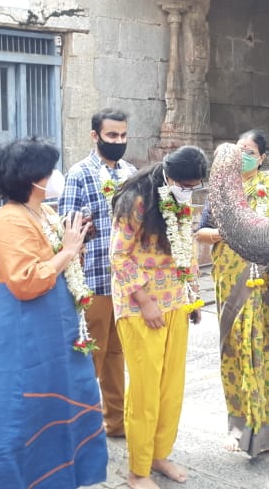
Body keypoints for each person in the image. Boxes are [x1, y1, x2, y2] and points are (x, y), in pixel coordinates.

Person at [0, 137, 108, 488]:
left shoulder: (46, 212)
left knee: (62, 410)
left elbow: (61, 263)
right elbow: (26, 281)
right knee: (25, 418)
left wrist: (77, 243)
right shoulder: (9, 221)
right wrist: (67, 251)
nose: (55, 175)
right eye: (50, 170)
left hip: (58, 336)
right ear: (31, 177)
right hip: (25, 340)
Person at [196, 130, 269, 457]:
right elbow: (200, 232)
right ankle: (239, 430)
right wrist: (226, 232)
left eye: (249, 151)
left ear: (261, 158)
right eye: (239, 150)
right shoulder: (220, 191)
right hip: (231, 285)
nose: (243, 155)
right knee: (234, 354)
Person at [111, 146, 208, 489]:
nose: (187, 188)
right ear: (168, 173)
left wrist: (192, 295)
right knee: (145, 390)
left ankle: (159, 454)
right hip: (140, 307)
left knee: (170, 387)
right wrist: (145, 299)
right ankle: (137, 470)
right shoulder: (137, 200)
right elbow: (119, 256)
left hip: (175, 302)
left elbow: (187, 249)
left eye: (193, 185)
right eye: (183, 182)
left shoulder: (180, 199)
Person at [57, 108, 137, 438]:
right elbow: (67, 225)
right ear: (95, 136)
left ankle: (115, 423)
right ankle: (80, 427)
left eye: (122, 136)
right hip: (94, 281)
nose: (118, 141)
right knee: (90, 357)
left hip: (126, 284)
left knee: (118, 356)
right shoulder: (79, 173)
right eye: (112, 136)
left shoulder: (131, 172)